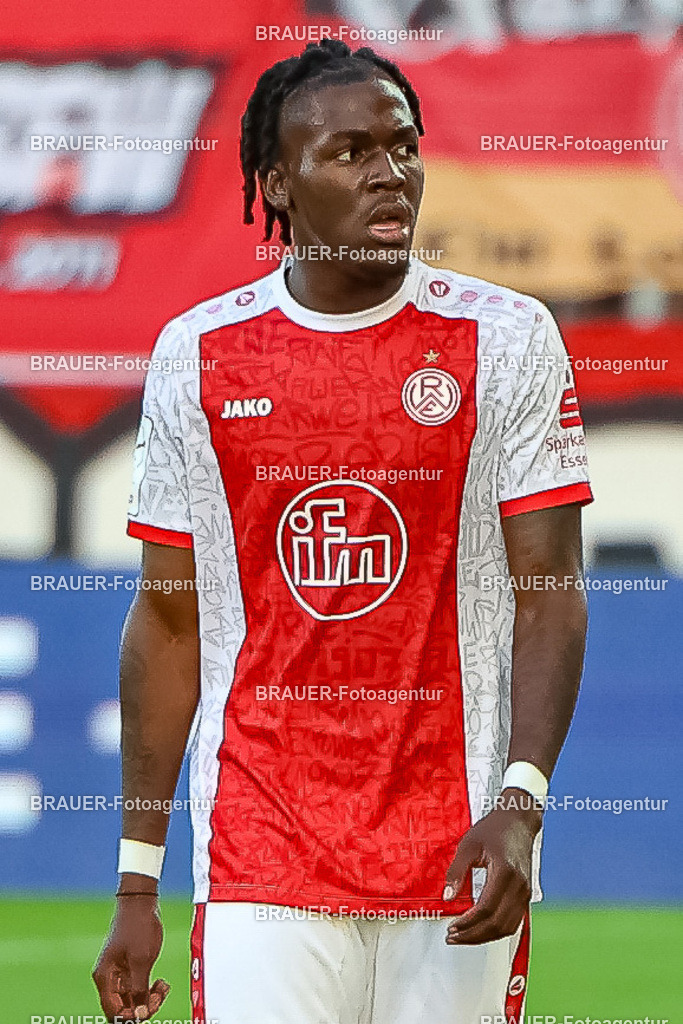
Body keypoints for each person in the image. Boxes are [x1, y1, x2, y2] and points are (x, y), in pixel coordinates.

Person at [93, 38, 592, 1024]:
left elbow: (549, 592)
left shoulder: (505, 339)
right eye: (350, 151)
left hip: (455, 848)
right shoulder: (199, 356)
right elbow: (167, 621)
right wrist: (137, 884)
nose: (388, 171)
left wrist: (521, 800)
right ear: (276, 183)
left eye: (402, 146)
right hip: (257, 853)